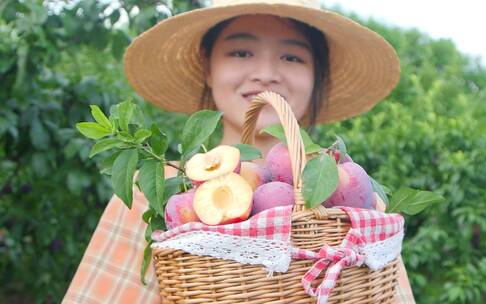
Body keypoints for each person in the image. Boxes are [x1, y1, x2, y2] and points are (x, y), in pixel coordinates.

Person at [63, 0, 415, 303]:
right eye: (241, 52)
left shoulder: (352, 206)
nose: (265, 74)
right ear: (207, 65)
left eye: (292, 56)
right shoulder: (159, 191)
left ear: (316, 76)